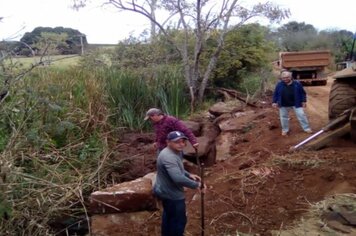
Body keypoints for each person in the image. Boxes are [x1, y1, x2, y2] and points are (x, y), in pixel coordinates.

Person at [153, 131, 205, 236]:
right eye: (177, 142)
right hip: (171, 193)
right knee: (178, 220)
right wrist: (197, 185)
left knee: (168, 215)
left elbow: (177, 168)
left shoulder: (175, 152)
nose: (181, 144)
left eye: (183, 141)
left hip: (163, 189)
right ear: (168, 142)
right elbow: (177, 178)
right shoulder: (168, 157)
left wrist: (188, 174)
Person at [272, 70, 313, 136]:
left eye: (287, 77)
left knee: (301, 115)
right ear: (281, 78)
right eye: (283, 78)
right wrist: (274, 102)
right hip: (283, 104)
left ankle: (306, 128)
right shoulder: (279, 84)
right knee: (283, 117)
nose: (285, 79)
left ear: (291, 77)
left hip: (296, 103)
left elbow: (303, 93)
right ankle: (285, 130)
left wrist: (303, 101)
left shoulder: (297, 83)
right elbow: (275, 94)